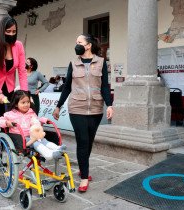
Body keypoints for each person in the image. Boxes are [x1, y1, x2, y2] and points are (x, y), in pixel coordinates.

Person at [52, 34, 114, 193]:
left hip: (95, 108)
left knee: (89, 141)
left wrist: (109, 105)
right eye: (76, 42)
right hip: (77, 108)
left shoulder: (101, 62)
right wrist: (58, 106)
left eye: (79, 42)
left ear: (88, 45)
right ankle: (85, 177)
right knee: (83, 140)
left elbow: (105, 86)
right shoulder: (73, 63)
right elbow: (66, 87)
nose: (76, 45)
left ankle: (82, 167)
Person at [0, 16, 28, 160]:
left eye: (14, 31)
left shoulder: (18, 45)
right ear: (2, 31)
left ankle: (3, 154)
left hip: (9, 90)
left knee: (7, 125)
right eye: (8, 31)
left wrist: (25, 94)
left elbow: (22, 71)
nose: (11, 34)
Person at [0, 90, 66, 160]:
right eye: (23, 102)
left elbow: (36, 120)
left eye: (28, 102)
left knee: (43, 140)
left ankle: (57, 148)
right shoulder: (10, 114)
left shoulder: (31, 112)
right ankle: (48, 154)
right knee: (35, 142)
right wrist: (7, 123)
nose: (26, 104)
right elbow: (0, 121)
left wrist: (43, 120)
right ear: (16, 104)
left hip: (32, 135)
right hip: (20, 138)